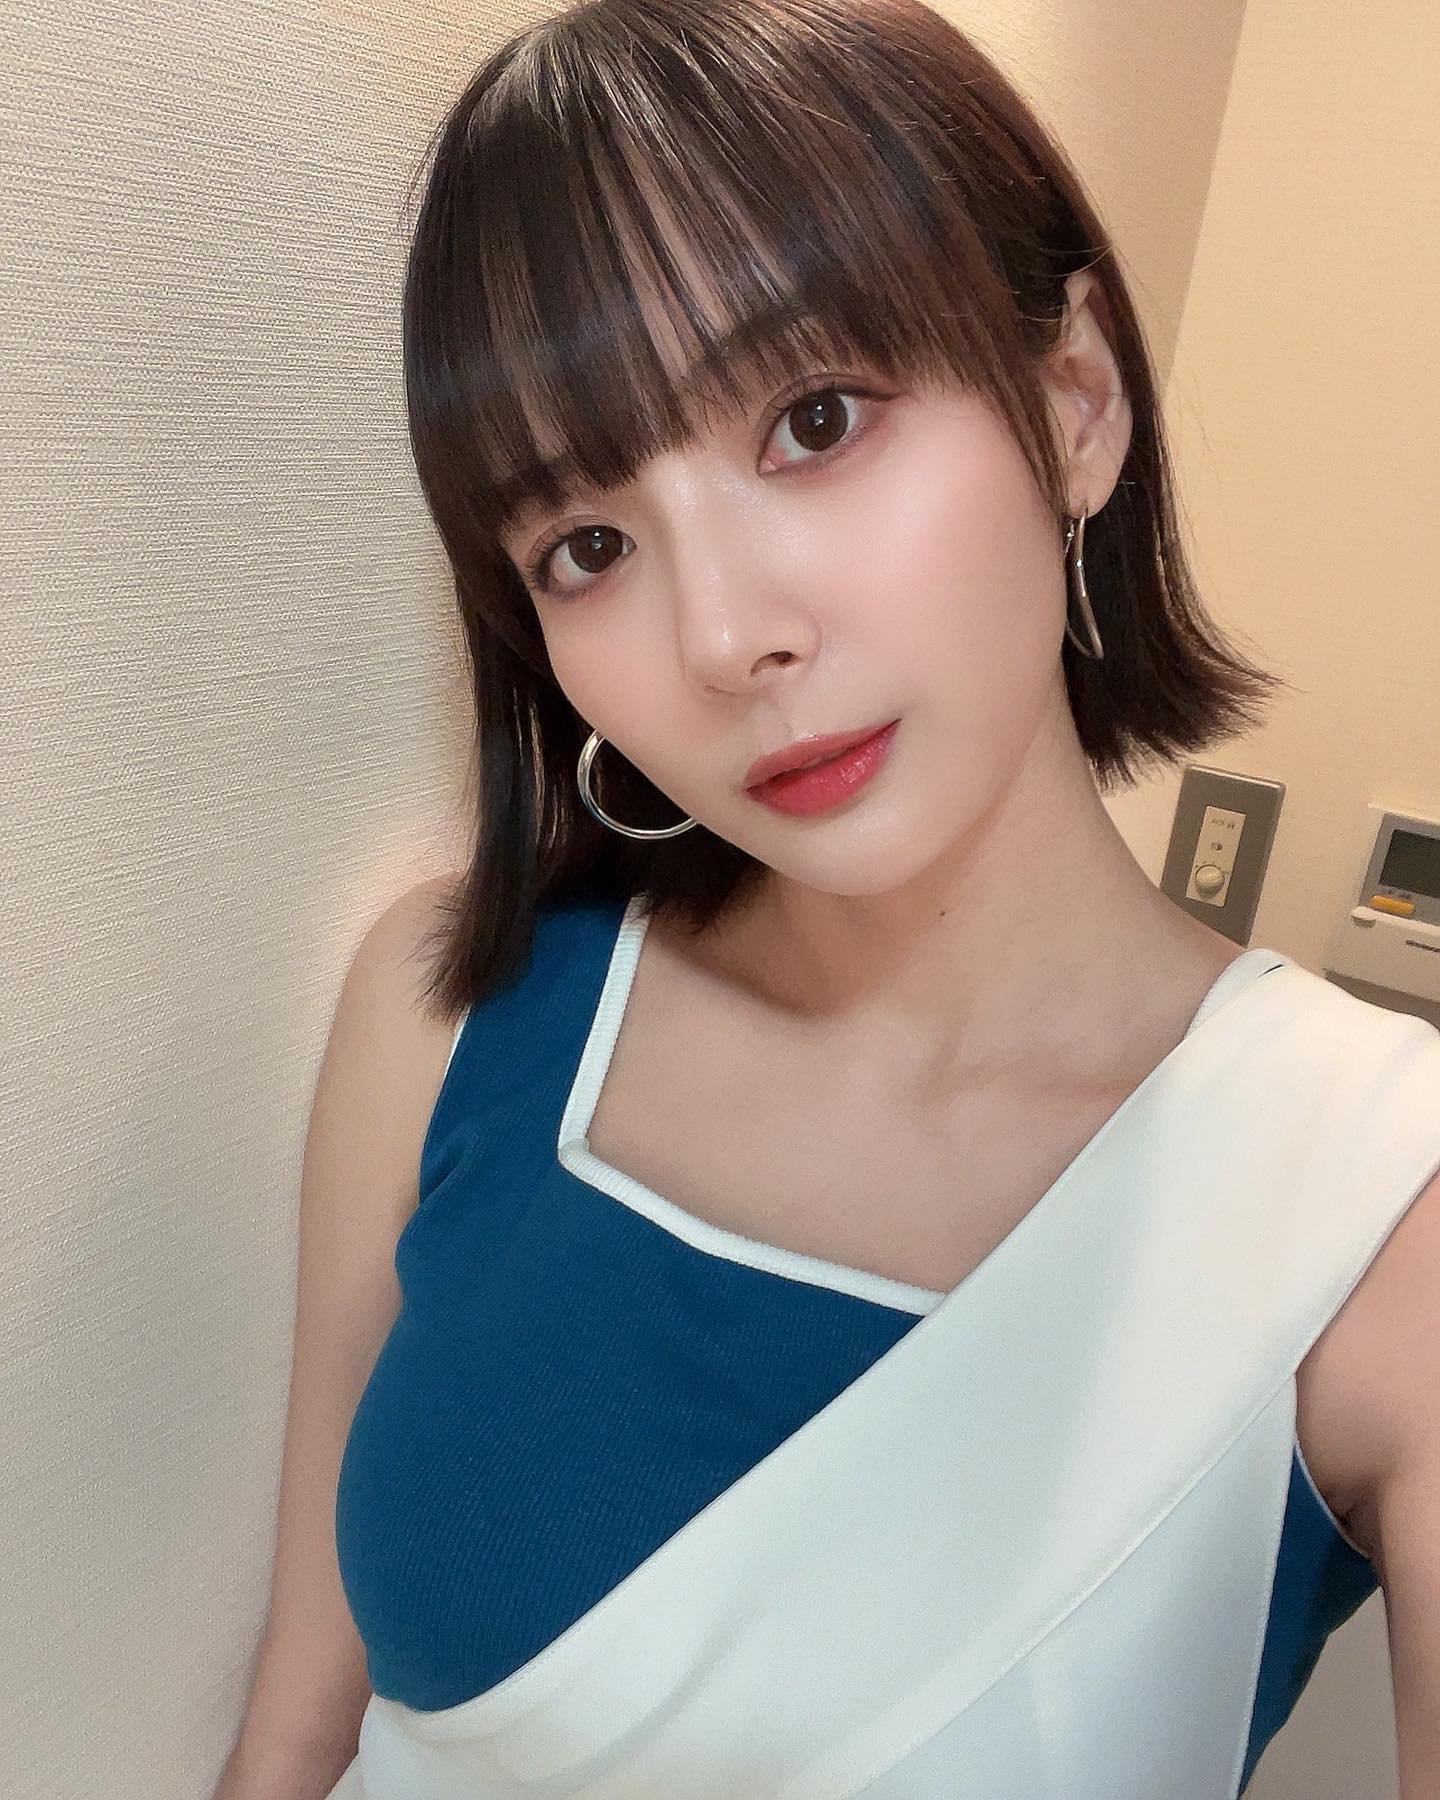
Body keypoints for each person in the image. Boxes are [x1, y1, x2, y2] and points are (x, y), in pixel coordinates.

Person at [213, 2, 1440, 1795]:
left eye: (815, 419)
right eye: (588, 545)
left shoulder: (1380, 1217)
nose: (724, 637)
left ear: (1076, 402)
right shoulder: (449, 1009)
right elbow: (303, 1718)